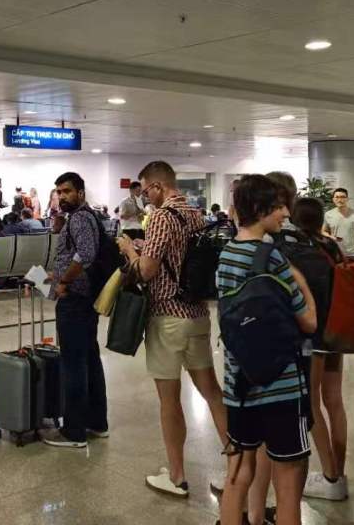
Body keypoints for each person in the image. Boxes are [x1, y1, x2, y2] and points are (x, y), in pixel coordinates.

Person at [115, 161, 229, 496]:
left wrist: (129, 250)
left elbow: (147, 271)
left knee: (169, 398)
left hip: (167, 317)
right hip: (197, 314)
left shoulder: (162, 217)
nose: (145, 197)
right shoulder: (196, 214)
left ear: (157, 186)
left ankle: (177, 476)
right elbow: (179, 258)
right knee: (212, 392)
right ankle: (236, 468)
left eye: (146, 190)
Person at [217, 174, 316, 525]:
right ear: (260, 209)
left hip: (239, 385)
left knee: (237, 473)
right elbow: (309, 321)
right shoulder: (272, 257)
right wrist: (298, 277)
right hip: (282, 386)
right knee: (287, 483)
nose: (286, 213)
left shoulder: (226, 253)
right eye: (278, 207)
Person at [43, 172, 109, 449]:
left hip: (75, 299)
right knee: (89, 358)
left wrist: (64, 281)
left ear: (80, 192)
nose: (62, 196)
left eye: (67, 191)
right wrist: (56, 274)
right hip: (86, 297)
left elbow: (85, 254)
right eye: (59, 192)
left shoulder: (80, 218)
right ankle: (97, 422)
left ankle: (74, 431)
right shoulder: (85, 216)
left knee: (73, 363)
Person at [290, 196, 349, 502]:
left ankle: (329, 475)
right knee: (334, 400)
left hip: (312, 337)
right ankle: (340, 471)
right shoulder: (332, 247)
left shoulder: (296, 252)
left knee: (312, 402)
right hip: (336, 332)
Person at [323, 187, 354, 261]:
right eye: (337, 197)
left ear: (347, 199)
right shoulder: (328, 214)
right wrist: (330, 236)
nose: (339, 200)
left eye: (342, 197)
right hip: (335, 254)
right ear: (333, 199)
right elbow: (323, 231)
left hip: (353, 255)